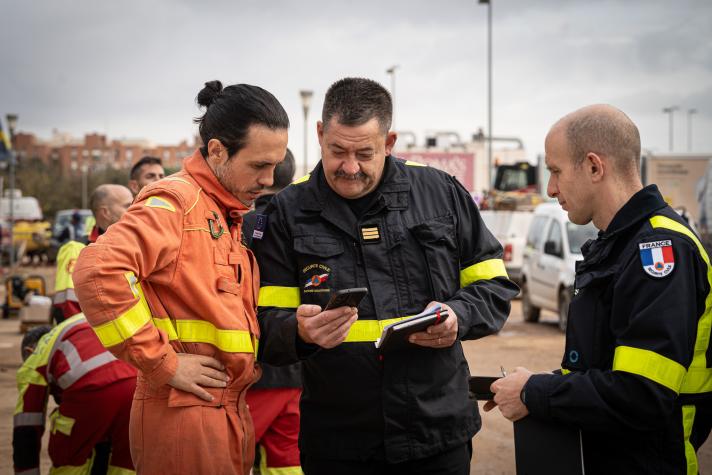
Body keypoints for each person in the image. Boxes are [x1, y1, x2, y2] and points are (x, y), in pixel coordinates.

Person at [253, 77, 518, 475]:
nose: (349, 167)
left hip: (435, 435)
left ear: (389, 142)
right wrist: (298, 331)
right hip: (338, 443)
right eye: (337, 150)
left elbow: (494, 285)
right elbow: (260, 322)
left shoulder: (440, 193)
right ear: (320, 134)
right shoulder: (287, 212)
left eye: (365, 153)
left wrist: (458, 316)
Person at [73, 80, 289, 475]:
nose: (268, 180)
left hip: (219, 409)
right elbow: (96, 271)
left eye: (274, 166)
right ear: (217, 151)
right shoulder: (176, 203)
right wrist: (163, 364)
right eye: (259, 165)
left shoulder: (222, 212)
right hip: (183, 414)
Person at [486, 104, 712, 473]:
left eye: (556, 171)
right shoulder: (618, 246)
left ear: (594, 166)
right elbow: (604, 368)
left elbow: (642, 395)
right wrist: (542, 383)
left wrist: (536, 393)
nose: (550, 188)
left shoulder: (660, 251)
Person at [242, 148, 303, 475]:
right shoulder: (312, 223)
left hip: (252, 372)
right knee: (288, 464)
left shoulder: (237, 227)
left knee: (233, 459)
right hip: (302, 370)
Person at [13, 315, 137, 474]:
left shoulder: (36, 358)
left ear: (29, 351)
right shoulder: (72, 326)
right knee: (125, 460)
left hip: (92, 388)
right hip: (138, 381)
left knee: (69, 457)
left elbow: (27, 426)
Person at [52, 185, 133, 323]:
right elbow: (68, 307)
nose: (134, 211)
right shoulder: (76, 249)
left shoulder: (132, 247)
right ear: (105, 212)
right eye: (128, 206)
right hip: (88, 340)